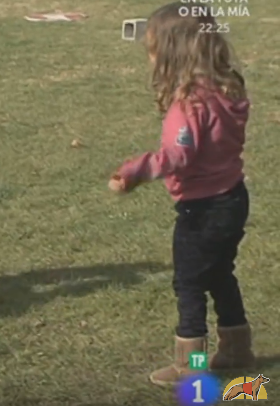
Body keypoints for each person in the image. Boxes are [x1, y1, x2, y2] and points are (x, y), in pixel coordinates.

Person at [107, 2, 254, 387]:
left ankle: (192, 363)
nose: (150, 57)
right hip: (234, 198)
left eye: (152, 49)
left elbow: (178, 155)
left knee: (189, 284)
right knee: (221, 273)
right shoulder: (229, 89)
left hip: (202, 211)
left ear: (173, 53)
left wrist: (136, 169)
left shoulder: (187, 106)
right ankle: (237, 347)